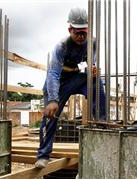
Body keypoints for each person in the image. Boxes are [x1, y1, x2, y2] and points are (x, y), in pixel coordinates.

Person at [34, 7, 106, 169]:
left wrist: (93, 68)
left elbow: (91, 61)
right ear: (70, 29)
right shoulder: (61, 47)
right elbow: (53, 74)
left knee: (97, 82)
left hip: (75, 77)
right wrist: (53, 99)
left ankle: (101, 121)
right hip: (58, 82)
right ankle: (43, 155)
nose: (81, 36)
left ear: (88, 30)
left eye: (84, 33)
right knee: (50, 117)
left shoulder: (92, 42)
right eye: (77, 33)